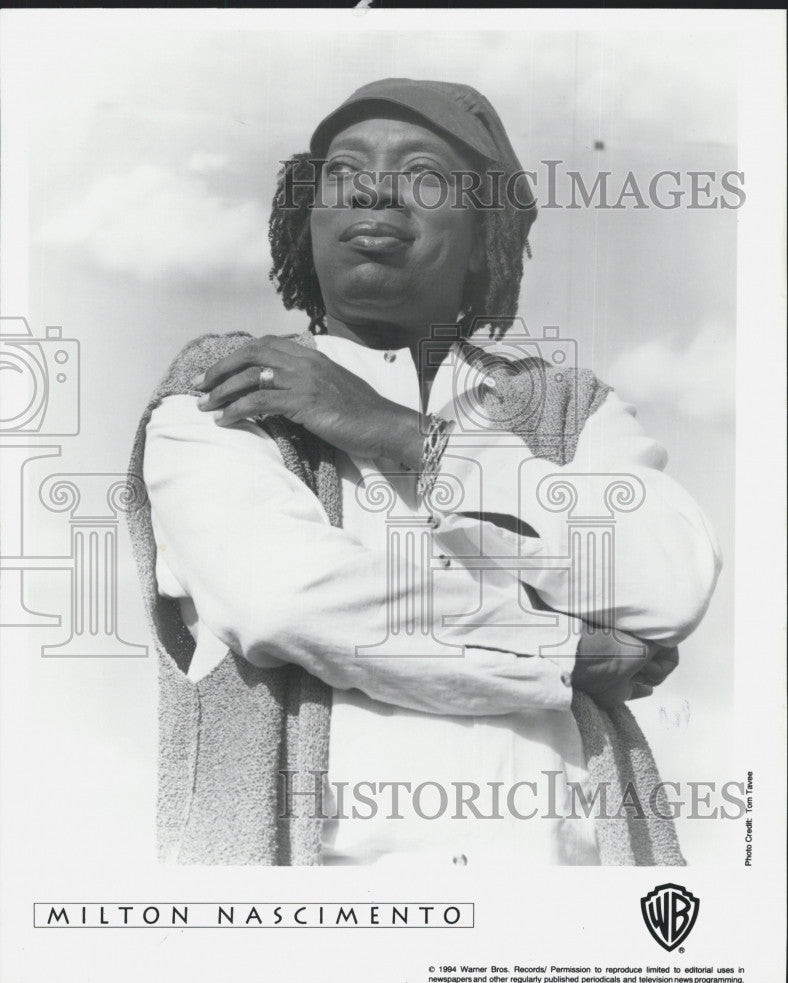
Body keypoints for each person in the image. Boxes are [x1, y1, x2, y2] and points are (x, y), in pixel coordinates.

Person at [128, 78, 722, 867]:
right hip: (313, 903)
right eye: (342, 171)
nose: (374, 188)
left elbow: (668, 581)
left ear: (486, 232)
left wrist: (411, 437)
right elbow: (289, 600)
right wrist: (561, 654)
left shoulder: (570, 410)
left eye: (425, 173)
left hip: (563, 899)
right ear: (308, 216)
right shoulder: (229, 386)